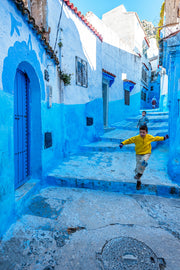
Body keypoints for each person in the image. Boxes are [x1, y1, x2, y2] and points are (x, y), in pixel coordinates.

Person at [119, 125, 169, 190]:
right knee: (137, 168)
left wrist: (164, 138)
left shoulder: (149, 137)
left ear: (147, 132)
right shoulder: (136, 138)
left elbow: (156, 138)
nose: (142, 134)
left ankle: (140, 173)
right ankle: (138, 182)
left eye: (143, 132)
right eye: (140, 132)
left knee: (143, 161)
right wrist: (122, 143)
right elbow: (129, 140)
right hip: (138, 154)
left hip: (146, 153)